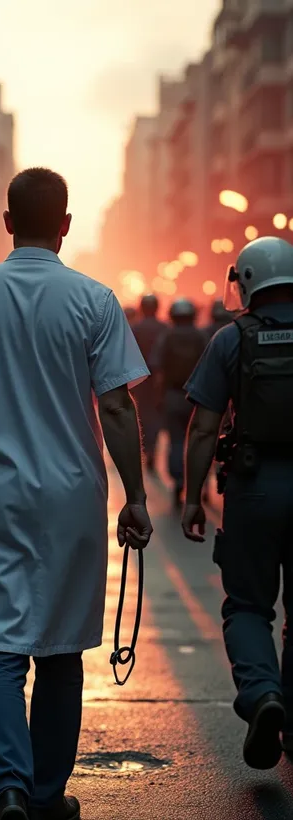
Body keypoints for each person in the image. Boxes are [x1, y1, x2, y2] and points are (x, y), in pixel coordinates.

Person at [0, 167, 153, 820]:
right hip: (71, 501)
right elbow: (120, 410)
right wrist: (136, 494)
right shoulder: (95, 300)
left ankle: (8, 787)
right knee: (61, 646)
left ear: (7, 221)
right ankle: (46, 794)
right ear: (66, 224)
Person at [182, 236, 293, 771]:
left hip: (252, 488)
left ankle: (264, 695)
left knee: (249, 605)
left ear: (246, 280)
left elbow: (203, 428)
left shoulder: (233, 339)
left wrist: (192, 499)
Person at [151, 298, 206, 507]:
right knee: (200, 441)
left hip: (173, 396)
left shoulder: (167, 337)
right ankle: (202, 484)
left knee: (175, 441)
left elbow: (157, 369)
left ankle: (178, 482)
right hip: (198, 396)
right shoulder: (201, 337)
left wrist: (159, 396)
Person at [132, 294, 166, 471]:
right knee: (157, 416)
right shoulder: (165, 328)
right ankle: (152, 449)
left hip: (139, 380)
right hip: (161, 381)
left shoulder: (135, 328)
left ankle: (147, 449)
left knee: (142, 415)